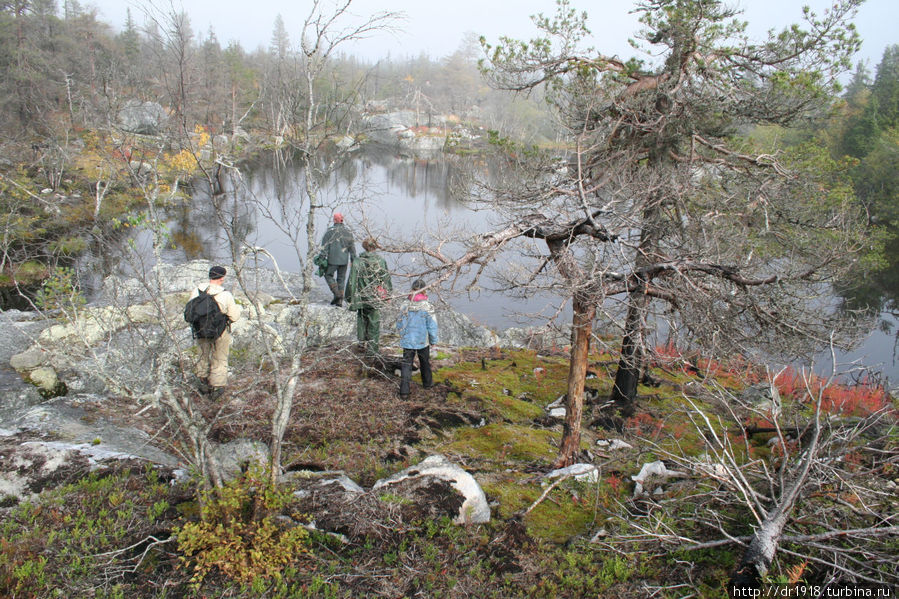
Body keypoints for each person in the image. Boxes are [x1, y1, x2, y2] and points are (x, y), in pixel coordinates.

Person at [190, 265, 242, 399]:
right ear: (222, 278)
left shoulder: (197, 291)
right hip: (220, 331)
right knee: (219, 359)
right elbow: (234, 317)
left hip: (200, 330)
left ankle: (202, 382)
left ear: (210, 276)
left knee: (202, 355)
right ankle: (217, 387)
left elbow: (190, 313)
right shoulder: (225, 294)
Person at [345, 237, 392, 356]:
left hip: (361, 296)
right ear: (375, 247)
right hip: (374, 296)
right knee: (374, 322)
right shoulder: (380, 261)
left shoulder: (357, 261)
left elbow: (352, 280)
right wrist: (388, 295)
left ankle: (362, 343)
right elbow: (385, 279)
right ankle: (372, 349)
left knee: (361, 318)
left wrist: (350, 297)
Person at [396, 279, 439, 399]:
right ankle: (428, 384)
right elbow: (432, 326)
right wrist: (433, 342)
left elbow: (399, 323)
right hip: (422, 340)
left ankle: (404, 392)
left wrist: (402, 334)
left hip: (408, 340)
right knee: (425, 362)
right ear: (424, 290)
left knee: (406, 364)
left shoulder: (405, 304)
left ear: (412, 289)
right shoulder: (427, 306)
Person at [319, 212, 356, 306]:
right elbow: (352, 248)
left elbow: (324, 247)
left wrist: (321, 258)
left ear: (334, 220)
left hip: (333, 260)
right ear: (342, 220)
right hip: (344, 260)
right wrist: (353, 260)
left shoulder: (330, 231)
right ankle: (339, 300)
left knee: (328, 275)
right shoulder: (348, 232)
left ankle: (337, 294)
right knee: (341, 278)